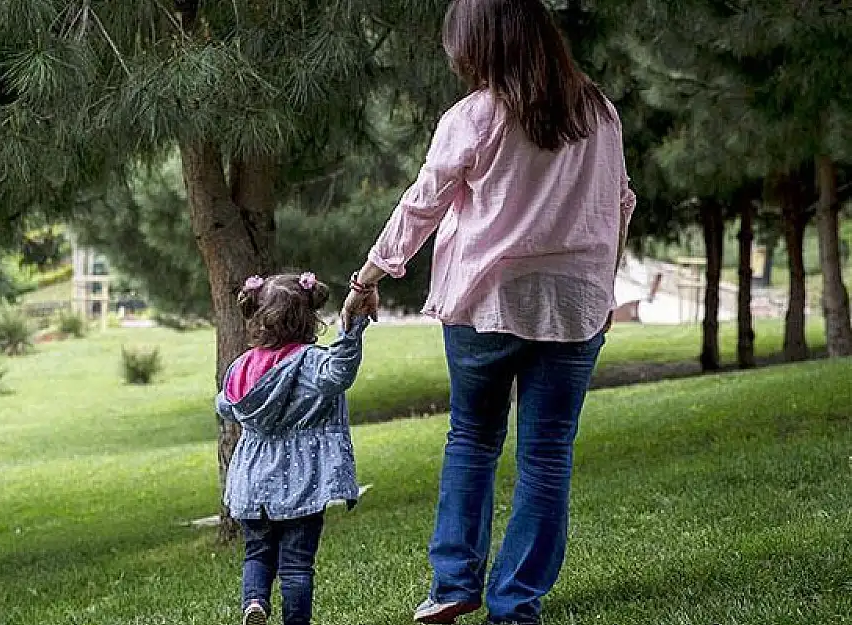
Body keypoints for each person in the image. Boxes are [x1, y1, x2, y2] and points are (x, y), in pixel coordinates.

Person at [341, 0, 636, 623]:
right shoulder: (600, 112)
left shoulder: (475, 115)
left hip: (486, 303)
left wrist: (370, 276)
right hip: (575, 306)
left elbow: (423, 203)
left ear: (480, 45)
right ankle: (515, 602)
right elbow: (620, 204)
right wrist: (603, 287)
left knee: (472, 439)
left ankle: (453, 585)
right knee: (548, 454)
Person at [219, 272, 368, 625]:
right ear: (308, 317)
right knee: (297, 565)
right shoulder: (310, 361)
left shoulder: (241, 366)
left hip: (251, 483)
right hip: (301, 482)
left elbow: (225, 405)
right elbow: (339, 374)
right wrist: (352, 330)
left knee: (256, 553)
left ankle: (254, 602)